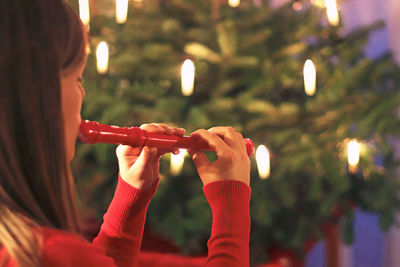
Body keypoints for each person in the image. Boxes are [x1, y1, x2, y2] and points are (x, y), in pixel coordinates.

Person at [0, 0, 251, 266]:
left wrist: (130, 196)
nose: (82, 92)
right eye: (77, 78)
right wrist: (230, 202)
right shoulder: (44, 254)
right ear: (38, 97)